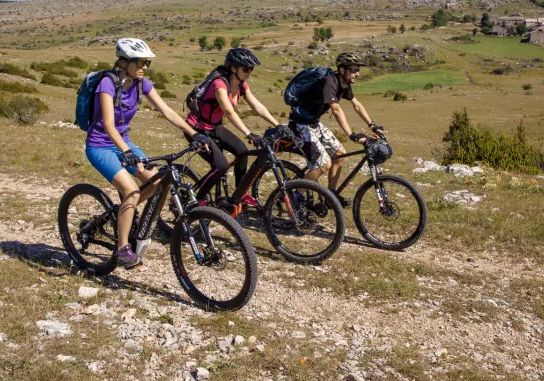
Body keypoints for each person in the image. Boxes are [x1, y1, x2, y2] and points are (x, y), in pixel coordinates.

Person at [85, 38, 211, 268]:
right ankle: (122, 248)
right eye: (140, 62)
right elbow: (109, 125)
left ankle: (125, 213)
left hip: (123, 143)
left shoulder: (141, 83)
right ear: (123, 62)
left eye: (147, 63)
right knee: (132, 191)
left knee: (155, 182)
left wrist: (194, 134)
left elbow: (166, 110)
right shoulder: (108, 83)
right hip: (100, 145)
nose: (144, 67)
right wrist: (126, 151)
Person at [185, 47, 280, 204]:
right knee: (220, 166)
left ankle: (240, 193)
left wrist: (277, 125)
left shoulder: (242, 85)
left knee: (242, 152)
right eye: (246, 69)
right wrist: (249, 133)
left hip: (215, 127)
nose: (249, 73)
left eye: (251, 69)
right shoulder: (219, 84)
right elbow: (229, 112)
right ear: (233, 68)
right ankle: (197, 200)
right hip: (196, 129)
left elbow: (257, 106)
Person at [288, 52, 384, 206]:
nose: (357, 74)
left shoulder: (344, 85)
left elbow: (357, 105)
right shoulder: (329, 82)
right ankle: (295, 196)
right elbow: (336, 109)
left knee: (339, 154)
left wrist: (372, 125)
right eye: (353, 69)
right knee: (323, 164)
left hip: (313, 122)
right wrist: (351, 134)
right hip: (300, 124)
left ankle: (330, 195)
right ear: (342, 70)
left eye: (358, 70)